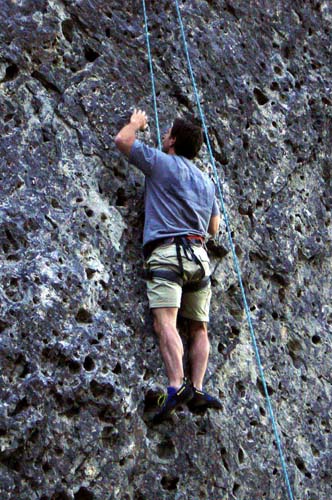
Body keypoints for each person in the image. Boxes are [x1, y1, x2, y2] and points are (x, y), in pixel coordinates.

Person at [115, 109, 222, 423]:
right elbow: (214, 227)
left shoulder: (161, 163)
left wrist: (135, 124)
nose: (163, 136)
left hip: (169, 253)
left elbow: (123, 141)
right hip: (199, 258)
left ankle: (176, 385)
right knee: (199, 327)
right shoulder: (206, 182)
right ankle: (198, 387)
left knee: (166, 322)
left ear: (173, 141)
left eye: (167, 133)